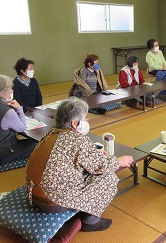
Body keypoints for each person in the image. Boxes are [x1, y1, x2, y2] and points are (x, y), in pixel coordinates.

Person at [25, 97, 133, 231]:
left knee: (90, 170)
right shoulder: (77, 140)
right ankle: (90, 221)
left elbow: (72, 157)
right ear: (74, 124)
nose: (87, 121)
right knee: (108, 176)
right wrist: (119, 161)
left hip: (33, 195)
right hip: (53, 202)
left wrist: (94, 154)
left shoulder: (50, 133)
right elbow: (101, 166)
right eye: (85, 118)